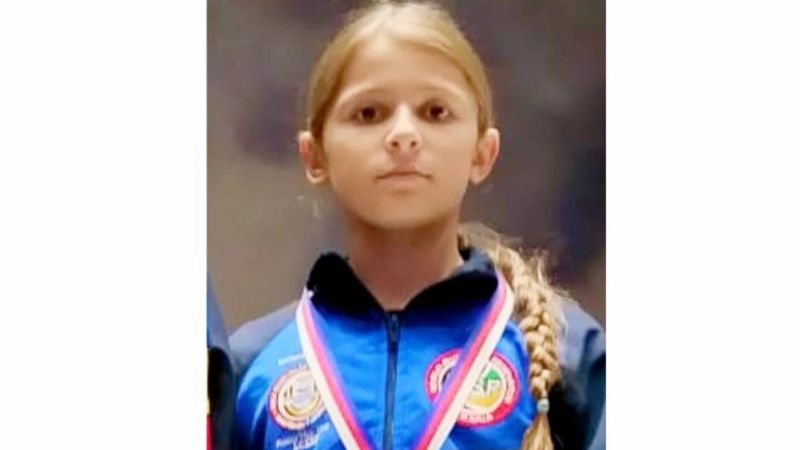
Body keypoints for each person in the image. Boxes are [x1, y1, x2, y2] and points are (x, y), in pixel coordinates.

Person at [231, 2, 605, 449]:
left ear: (482, 153)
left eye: (435, 112)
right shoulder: (250, 366)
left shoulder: (571, 356)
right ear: (315, 155)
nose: (403, 135)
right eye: (368, 113)